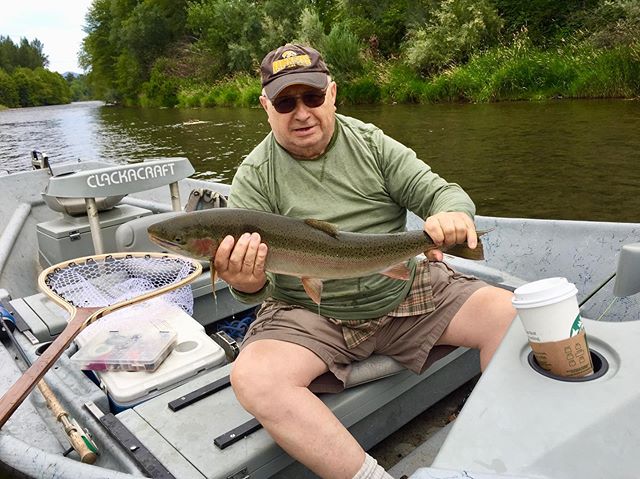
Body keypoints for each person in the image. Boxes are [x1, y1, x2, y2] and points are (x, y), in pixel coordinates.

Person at [215, 43, 516, 479]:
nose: (301, 113)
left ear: (332, 93)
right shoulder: (254, 176)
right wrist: (244, 282)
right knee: (254, 379)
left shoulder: (372, 144)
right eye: (285, 102)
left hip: (404, 287)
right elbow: (253, 286)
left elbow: (442, 192)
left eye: (312, 97)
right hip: (309, 309)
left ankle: (493, 453)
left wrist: (452, 213)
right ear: (266, 107)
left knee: (511, 316)